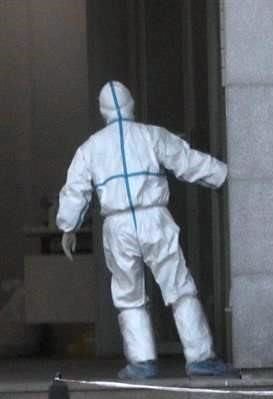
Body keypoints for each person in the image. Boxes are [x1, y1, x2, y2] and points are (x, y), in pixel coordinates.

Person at [57, 81, 236, 380]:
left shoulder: (90, 148)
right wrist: (224, 174)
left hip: (117, 225)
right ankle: (200, 357)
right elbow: (186, 161)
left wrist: (68, 226)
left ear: (102, 112)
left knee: (128, 294)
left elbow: (75, 189)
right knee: (179, 287)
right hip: (154, 218)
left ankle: (142, 362)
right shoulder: (152, 135)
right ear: (132, 105)